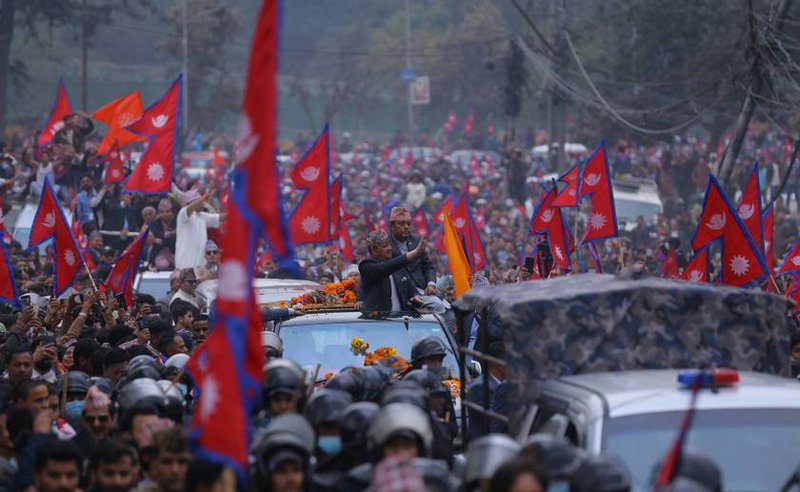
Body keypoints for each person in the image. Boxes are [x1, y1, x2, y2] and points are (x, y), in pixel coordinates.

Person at [358, 230, 425, 312]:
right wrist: (412, 254)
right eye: (384, 246)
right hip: (377, 320)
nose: (389, 248)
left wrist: (415, 295)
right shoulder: (366, 266)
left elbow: (410, 286)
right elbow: (383, 268)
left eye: (389, 245)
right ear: (374, 249)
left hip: (400, 319)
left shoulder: (397, 265)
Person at [388, 206, 437, 295]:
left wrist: (431, 284)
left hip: (422, 290)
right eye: (401, 223)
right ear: (392, 225)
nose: (406, 227)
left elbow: (428, 267)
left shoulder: (416, 241)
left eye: (408, 223)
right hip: (398, 293)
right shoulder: (386, 244)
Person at [174, 186, 222, 271]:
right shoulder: (183, 214)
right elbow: (191, 207)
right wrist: (206, 195)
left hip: (201, 268)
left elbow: (220, 218)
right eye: (200, 202)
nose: (203, 204)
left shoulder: (203, 216)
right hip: (185, 266)